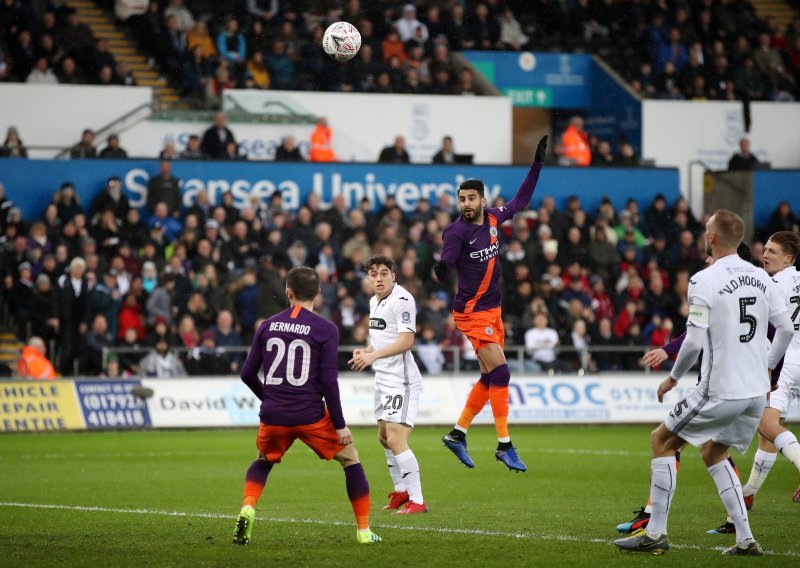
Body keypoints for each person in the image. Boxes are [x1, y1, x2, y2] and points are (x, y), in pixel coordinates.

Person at [613, 210, 794, 556]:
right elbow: (785, 330)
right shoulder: (762, 277)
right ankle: (744, 540)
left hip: (720, 389)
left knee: (661, 441)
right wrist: (768, 369)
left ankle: (655, 532)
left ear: (712, 237)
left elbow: (694, 341)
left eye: (706, 229)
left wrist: (672, 377)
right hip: (756, 393)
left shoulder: (703, 280)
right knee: (714, 452)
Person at [233, 266, 381, 545]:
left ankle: (248, 506)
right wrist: (339, 425)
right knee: (351, 458)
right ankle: (363, 531)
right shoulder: (326, 329)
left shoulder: (267, 325)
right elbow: (328, 380)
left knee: (263, 460)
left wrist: (270, 398)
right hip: (310, 414)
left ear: (288, 293)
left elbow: (246, 374)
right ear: (318, 294)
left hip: (274, 414)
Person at [432, 135, 548, 472]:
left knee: (488, 378)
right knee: (502, 371)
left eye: (470, 198)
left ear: (483, 200)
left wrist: (536, 164)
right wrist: (441, 269)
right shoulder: (455, 232)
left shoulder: (495, 218)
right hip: (471, 313)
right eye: (461, 199)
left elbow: (522, 199)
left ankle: (457, 434)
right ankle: (504, 445)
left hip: (492, 309)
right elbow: (447, 261)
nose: (465, 204)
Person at [348, 256, 427, 515]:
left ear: (394, 276)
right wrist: (367, 351)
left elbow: (406, 342)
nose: (379, 278)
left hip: (401, 381)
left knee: (395, 439)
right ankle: (402, 490)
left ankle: (417, 500)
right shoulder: (374, 301)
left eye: (384, 273)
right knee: (383, 438)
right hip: (383, 378)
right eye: (373, 274)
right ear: (369, 278)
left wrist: (373, 356)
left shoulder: (403, 300)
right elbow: (383, 339)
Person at [740, 231, 800, 505]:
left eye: (773, 251)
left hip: (785, 362)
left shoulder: (774, 284)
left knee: (766, 426)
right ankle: (749, 493)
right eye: (765, 249)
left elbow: (768, 325)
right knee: (770, 432)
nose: (765, 255)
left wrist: (767, 366)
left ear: (788, 258)